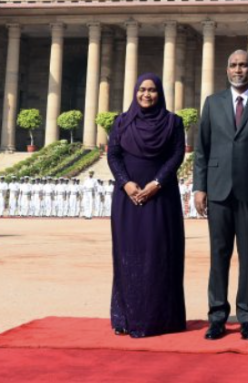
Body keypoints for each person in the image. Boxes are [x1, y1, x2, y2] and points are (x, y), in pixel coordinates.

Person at [193, 50, 248, 341]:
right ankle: (217, 316)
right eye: (233, 65)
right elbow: (202, 149)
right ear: (227, 70)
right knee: (218, 255)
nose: (238, 69)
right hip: (218, 189)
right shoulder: (213, 102)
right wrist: (200, 186)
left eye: (243, 65)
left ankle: (247, 316)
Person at [107, 73, 187, 338]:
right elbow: (114, 155)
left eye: (152, 90)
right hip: (127, 198)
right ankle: (127, 317)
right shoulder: (122, 121)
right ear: (135, 91)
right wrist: (125, 183)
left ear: (160, 93)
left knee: (159, 254)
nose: (146, 94)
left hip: (161, 197)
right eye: (142, 89)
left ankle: (160, 318)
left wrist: (157, 183)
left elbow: (177, 154)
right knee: (128, 255)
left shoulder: (173, 122)